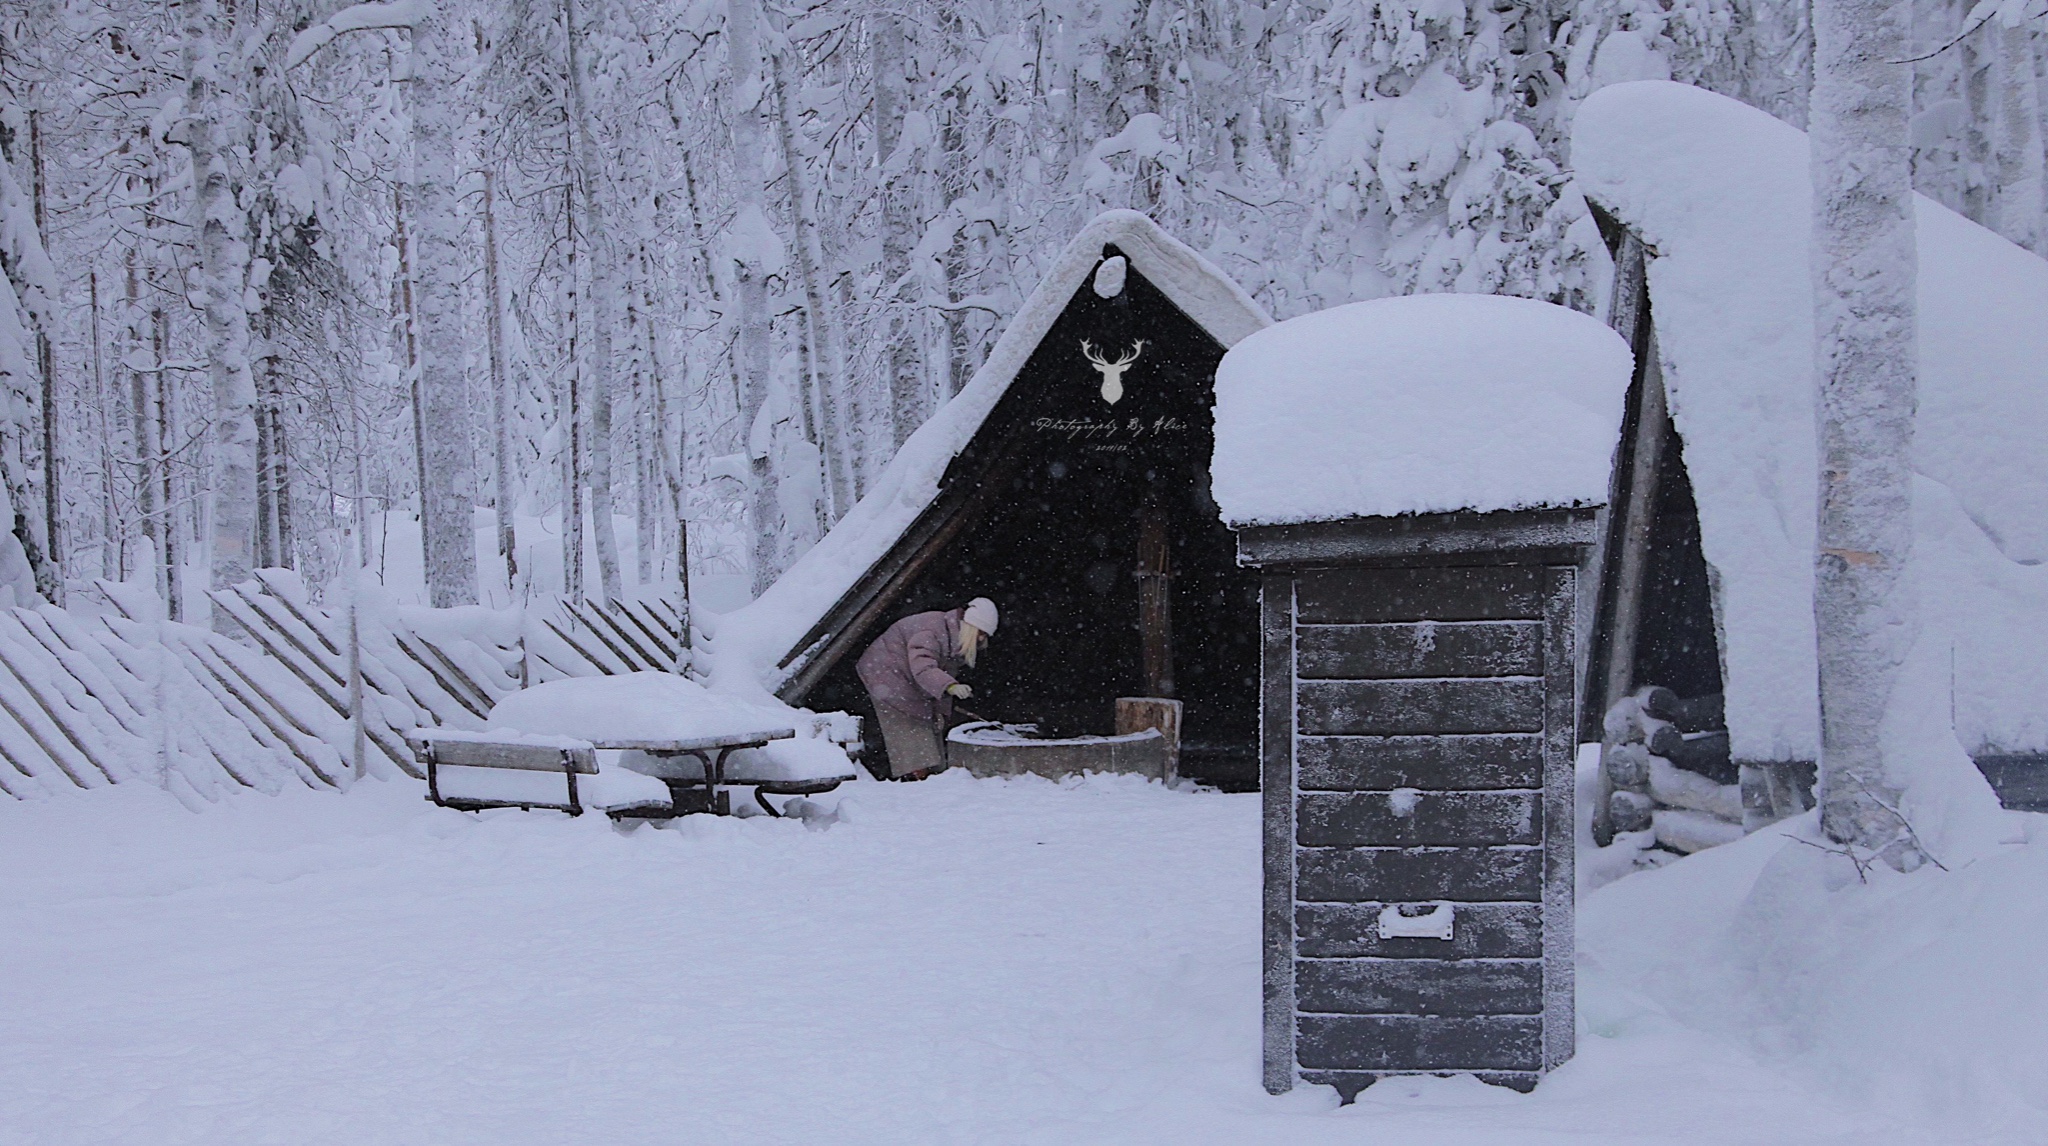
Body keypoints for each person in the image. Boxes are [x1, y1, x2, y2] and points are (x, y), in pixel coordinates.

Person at [855, 597, 998, 780]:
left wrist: (940, 712)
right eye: (981, 633)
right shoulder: (932, 630)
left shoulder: (953, 640)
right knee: (912, 735)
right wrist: (951, 686)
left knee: (930, 730)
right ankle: (916, 779)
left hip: (908, 681)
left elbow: (940, 679)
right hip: (887, 677)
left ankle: (931, 776)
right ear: (971, 626)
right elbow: (923, 668)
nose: (981, 639)